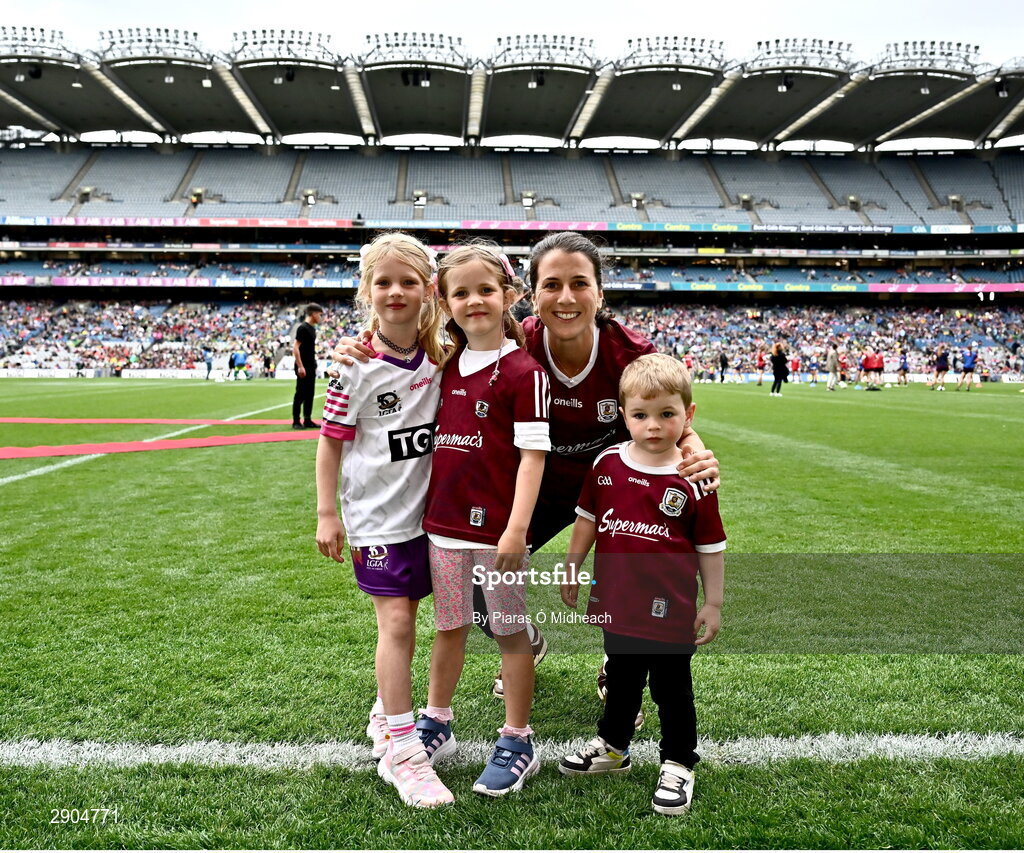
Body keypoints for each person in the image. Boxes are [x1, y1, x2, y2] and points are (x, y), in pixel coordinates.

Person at [333, 232, 721, 696]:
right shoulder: (519, 343)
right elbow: (421, 340)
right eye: (552, 285)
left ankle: (618, 665)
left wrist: (694, 445)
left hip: (615, 483)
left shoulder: (630, 352)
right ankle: (523, 641)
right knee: (479, 585)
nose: (566, 297)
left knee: (634, 568)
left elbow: (668, 405)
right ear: (531, 297)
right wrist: (359, 345)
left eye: (580, 283)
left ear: (600, 292)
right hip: (535, 482)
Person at [314, 233, 452, 808]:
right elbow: (329, 444)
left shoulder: (443, 357)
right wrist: (327, 514)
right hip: (376, 522)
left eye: (408, 281)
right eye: (383, 281)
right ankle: (403, 747)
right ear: (366, 291)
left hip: (430, 519)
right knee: (396, 625)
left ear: (428, 291)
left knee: (414, 619)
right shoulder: (354, 368)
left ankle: (383, 708)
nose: (395, 291)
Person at [558, 353, 725, 816]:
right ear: (623, 415)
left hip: (668, 609)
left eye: (667, 414)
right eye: (641, 415)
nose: (653, 426)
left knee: (672, 690)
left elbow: (711, 545)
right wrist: (572, 565)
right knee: (622, 679)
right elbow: (587, 520)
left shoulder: (695, 477)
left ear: (687, 415)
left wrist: (712, 603)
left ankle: (678, 763)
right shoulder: (607, 464)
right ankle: (613, 747)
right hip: (617, 602)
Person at [417, 241, 550, 797]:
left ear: (510, 297)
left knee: (508, 631)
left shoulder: (525, 372)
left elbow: (532, 457)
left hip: (496, 534)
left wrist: (517, 529)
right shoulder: (444, 366)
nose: (474, 300)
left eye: (486, 290)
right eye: (461, 292)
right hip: (442, 529)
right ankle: (437, 721)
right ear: (443, 301)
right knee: (449, 626)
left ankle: (518, 738)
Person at [292, 303, 323, 429]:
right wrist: (300, 366)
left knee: (310, 394)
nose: (321, 317)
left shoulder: (312, 328)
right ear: (314, 314)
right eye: (320, 314)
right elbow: (295, 347)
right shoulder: (303, 328)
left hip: (311, 365)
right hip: (303, 366)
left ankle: (307, 419)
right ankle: (296, 421)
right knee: (300, 393)